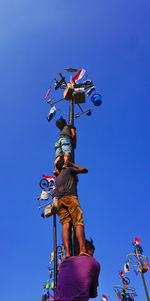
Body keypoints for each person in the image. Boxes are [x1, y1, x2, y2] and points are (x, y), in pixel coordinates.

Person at [55, 155, 88, 258]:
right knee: (78, 222)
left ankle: (67, 253)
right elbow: (84, 170)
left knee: (65, 225)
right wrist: (72, 164)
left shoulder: (58, 178)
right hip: (71, 198)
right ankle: (82, 250)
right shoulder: (69, 170)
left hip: (61, 201)